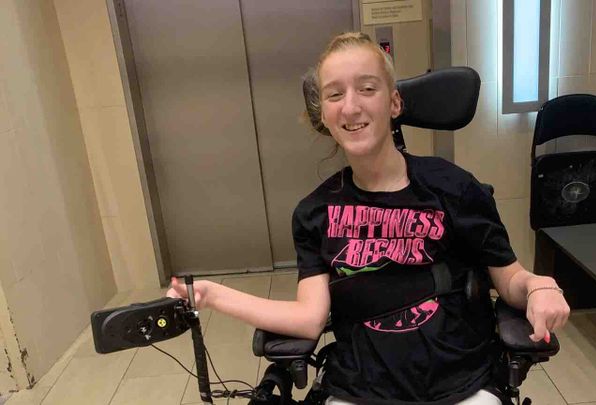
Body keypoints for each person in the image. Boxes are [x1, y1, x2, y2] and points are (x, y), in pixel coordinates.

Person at [167, 32, 570, 405]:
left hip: (460, 384)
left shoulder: (454, 186)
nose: (351, 106)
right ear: (323, 114)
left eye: (367, 88)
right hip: (360, 389)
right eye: (334, 94)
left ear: (394, 103)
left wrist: (540, 287)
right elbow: (308, 319)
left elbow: (511, 280)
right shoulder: (314, 213)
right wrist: (211, 295)